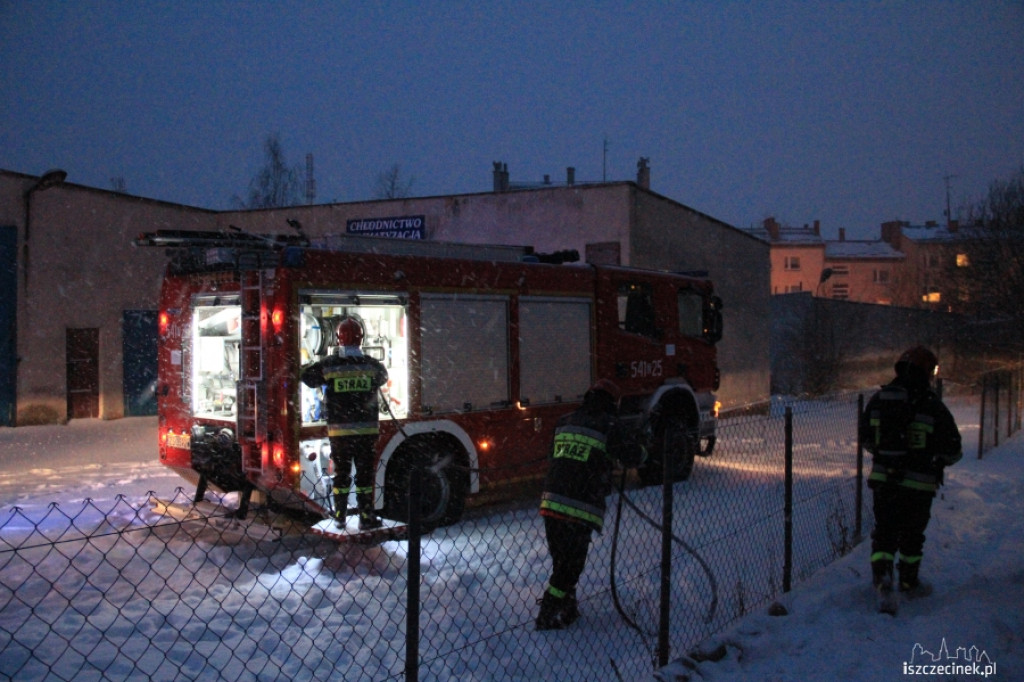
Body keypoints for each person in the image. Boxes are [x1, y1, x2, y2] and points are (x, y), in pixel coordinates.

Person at [536, 379, 644, 630]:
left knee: (561, 560)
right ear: (612, 402)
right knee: (571, 566)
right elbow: (631, 456)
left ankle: (566, 605)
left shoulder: (565, 420)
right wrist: (644, 448)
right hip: (580, 506)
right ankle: (549, 611)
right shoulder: (609, 425)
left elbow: (556, 456)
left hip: (552, 502)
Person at [859, 346, 962, 600]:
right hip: (920, 486)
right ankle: (908, 582)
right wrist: (929, 459)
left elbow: (866, 438)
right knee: (912, 536)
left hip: (884, 481)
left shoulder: (879, 400)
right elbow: (953, 450)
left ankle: (882, 577)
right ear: (928, 372)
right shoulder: (931, 405)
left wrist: (887, 457)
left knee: (884, 531)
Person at [301, 317, 389, 531]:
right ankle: (366, 516)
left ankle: (339, 515)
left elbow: (307, 377)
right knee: (364, 475)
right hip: (366, 432)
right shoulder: (372, 365)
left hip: (340, 433)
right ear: (361, 339)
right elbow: (383, 377)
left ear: (338, 339)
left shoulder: (329, 365)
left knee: (341, 474)